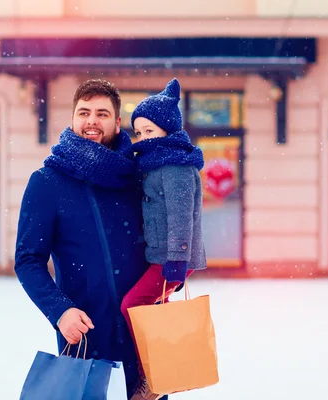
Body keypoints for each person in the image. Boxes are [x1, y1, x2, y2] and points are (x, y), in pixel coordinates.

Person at [14, 79, 150, 399]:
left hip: (143, 334)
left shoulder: (138, 178)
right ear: (73, 120)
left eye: (102, 113)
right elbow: (28, 260)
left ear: (117, 123)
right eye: (83, 112)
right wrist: (60, 311)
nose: (92, 120)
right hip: (87, 334)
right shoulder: (48, 182)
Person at [120, 78, 208, 400]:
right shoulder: (155, 164)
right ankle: (167, 368)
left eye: (150, 131)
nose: (143, 138)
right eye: (139, 132)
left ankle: (154, 378)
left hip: (170, 259)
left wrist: (177, 260)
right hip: (163, 256)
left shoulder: (175, 166)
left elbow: (182, 217)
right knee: (157, 311)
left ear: (167, 131)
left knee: (133, 304)